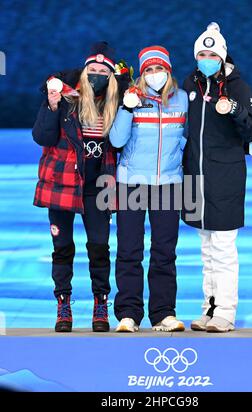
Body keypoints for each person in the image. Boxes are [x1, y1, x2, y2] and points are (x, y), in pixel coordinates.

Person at [32, 42, 130, 333]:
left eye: (103, 71)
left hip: (98, 186)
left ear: (111, 76)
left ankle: (101, 304)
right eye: (92, 69)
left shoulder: (117, 102)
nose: (96, 74)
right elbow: (42, 136)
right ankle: (63, 304)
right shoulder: (64, 100)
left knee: (99, 248)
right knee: (62, 248)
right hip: (62, 183)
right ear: (83, 71)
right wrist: (51, 105)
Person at [182, 23, 252, 332]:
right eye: (201, 53)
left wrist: (235, 111)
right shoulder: (191, 83)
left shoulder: (238, 87)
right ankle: (209, 308)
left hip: (225, 177)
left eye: (212, 54)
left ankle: (226, 311)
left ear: (222, 56)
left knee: (224, 248)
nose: (206, 58)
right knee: (206, 250)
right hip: (196, 177)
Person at [109, 46, 188, 332]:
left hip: (170, 183)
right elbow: (117, 141)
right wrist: (127, 108)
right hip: (131, 182)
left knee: (164, 252)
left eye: (159, 69)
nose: (155, 75)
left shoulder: (182, 100)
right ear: (142, 75)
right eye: (149, 71)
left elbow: (191, 137)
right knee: (129, 249)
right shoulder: (132, 98)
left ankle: (163, 313)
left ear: (168, 70)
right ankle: (128, 314)